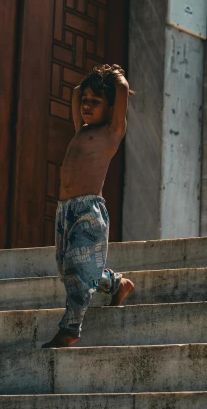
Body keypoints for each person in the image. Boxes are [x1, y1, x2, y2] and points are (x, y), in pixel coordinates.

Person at [42, 63, 136, 349]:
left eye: (96, 102)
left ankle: (70, 329)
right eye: (86, 101)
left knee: (78, 271)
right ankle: (116, 284)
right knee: (67, 268)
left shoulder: (112, 133)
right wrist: (95, 78)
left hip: (88, 210)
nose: (86, 105)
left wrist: (115, 75)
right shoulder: (80, 130)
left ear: (111, 109)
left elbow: (120, 90)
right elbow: (75, 91)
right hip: (65, 210)